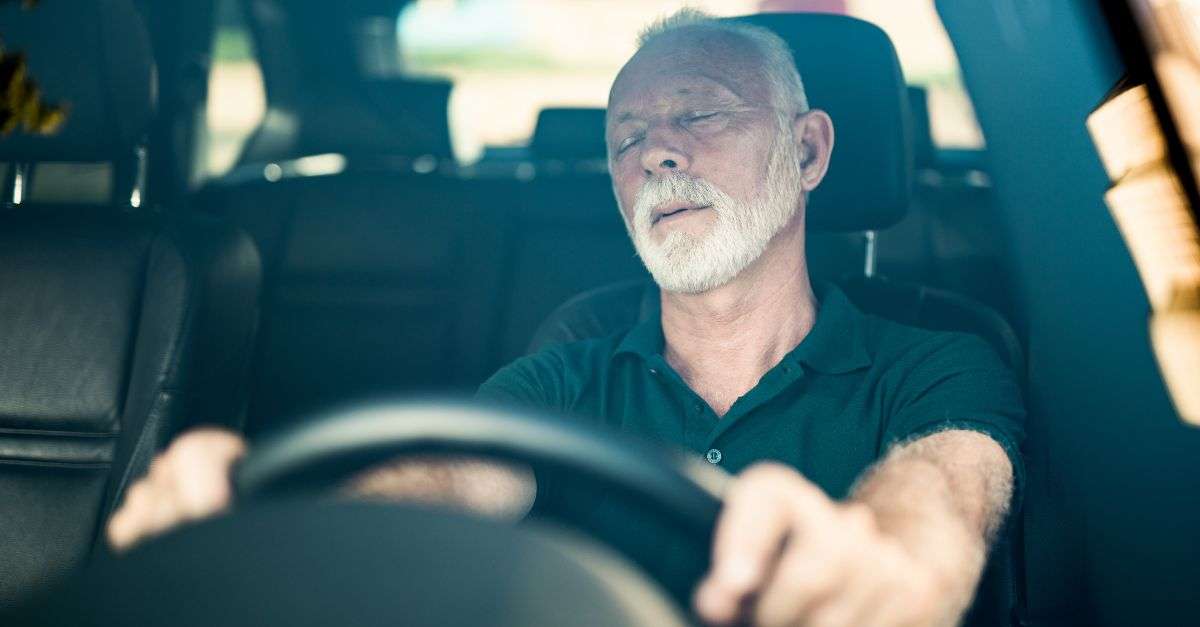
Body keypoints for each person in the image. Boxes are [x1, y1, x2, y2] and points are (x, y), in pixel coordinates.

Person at [106, 10, 1024, 627]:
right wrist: (297, 532)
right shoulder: (571, 363)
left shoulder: (941, 360)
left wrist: (883, 559)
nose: (658, 150)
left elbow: (945, 493)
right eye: (625, 139)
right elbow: (449, 476)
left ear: (809, 148)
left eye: (698, 112)